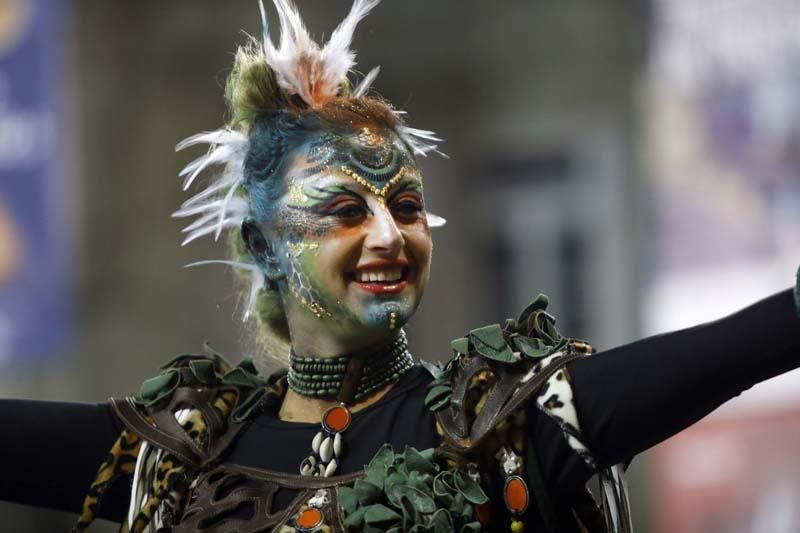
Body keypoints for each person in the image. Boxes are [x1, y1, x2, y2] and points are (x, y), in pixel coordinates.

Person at [2, 1, 800, 532]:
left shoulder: (500, 430)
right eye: (346, 211)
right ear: (262, 248)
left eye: (408, 206)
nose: (390, 235)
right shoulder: (182, 453)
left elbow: (740, 345)